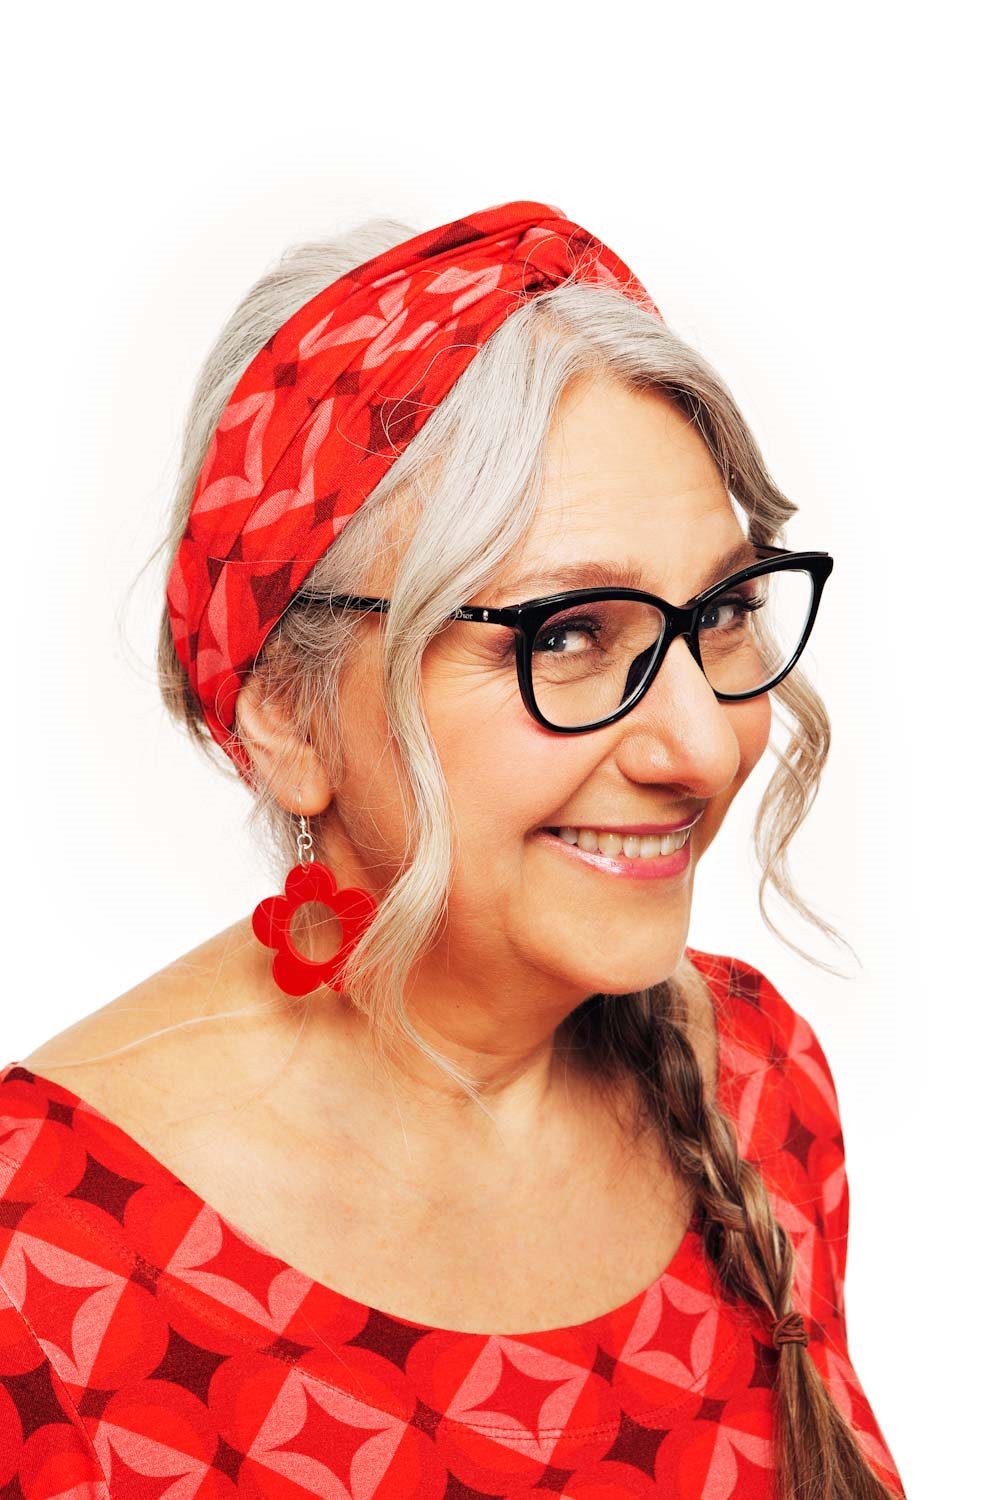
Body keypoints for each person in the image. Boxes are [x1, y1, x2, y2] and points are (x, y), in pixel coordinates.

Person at [0, 201, 904, 1497]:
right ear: (284, 713)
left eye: (721, 613)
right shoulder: (43, 1261)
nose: (705, 747)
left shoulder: (759, 1080)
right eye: (567, 635)